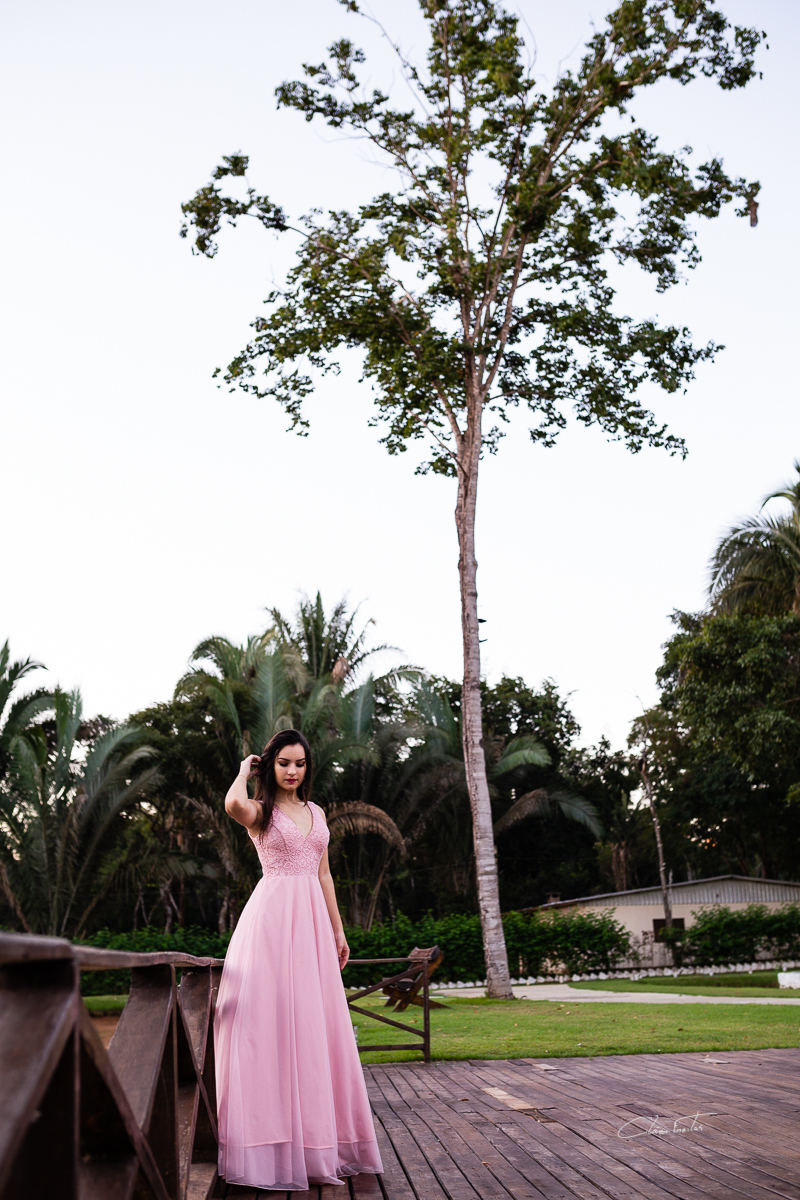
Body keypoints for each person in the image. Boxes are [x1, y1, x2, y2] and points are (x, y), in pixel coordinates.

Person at [213, 728, 384, 1191]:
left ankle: (316, 1142)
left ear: (308, 768)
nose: (292, 771)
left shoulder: (317, 812)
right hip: (271, 925)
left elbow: (325, 873)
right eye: (283, 762)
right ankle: (269, 1145)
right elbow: (232, 806)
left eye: (300, 763)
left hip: (311, 926)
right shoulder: (261, 812)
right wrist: (242, 773)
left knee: (314, 1027)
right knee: (268, 1027)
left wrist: (338, 928)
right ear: (270, 765)